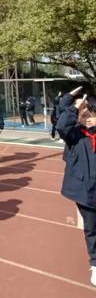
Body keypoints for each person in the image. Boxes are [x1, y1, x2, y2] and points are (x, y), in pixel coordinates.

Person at [56, 86, 96, 286]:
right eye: (84, 115)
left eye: (92, 115)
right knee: (92, 229)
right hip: (85, 193)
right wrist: (74, 104)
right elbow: (62, 125)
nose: (88, 119)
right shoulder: (75, 136)